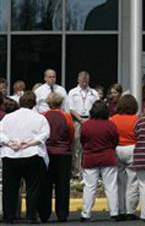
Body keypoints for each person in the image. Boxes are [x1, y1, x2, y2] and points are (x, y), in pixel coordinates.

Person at [0, 91, 49, 223]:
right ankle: (31, 215)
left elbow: (1, 134)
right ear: (34, 104)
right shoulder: (39, 118)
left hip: (10, 154)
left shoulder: (8, 118)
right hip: (32, 154)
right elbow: (44, 135)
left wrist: (9, 142)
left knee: (10, 188)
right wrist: (28, 143)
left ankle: (8, 216)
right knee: (32, 188)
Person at [80, 100, 119, 221]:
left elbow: (83, 140)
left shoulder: (86, 125)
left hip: (91, 157)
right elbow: (115, 140)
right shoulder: (110, 124)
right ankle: (114, 212)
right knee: (111, 186)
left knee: (89, 187)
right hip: (108, 156)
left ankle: (86, 213)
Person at [39, 92, 74, 223]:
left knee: (45, 184)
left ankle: (44, 213)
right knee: (63, 185)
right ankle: (62, 213)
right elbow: (71, 133)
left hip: (47, 152)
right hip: (63, 153)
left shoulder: (43, 116)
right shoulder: (66, 116)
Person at [110, 94, 140, 220]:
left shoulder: (113, 119)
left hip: (117, 148)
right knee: (133, 181)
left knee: (119, 181)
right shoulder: (136, 119)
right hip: (132, 148)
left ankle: (120, 209)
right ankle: (130, 210)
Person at [67, 71, 99, 178]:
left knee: (90, 146)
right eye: (82, 79)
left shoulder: (94, 93)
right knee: (77, 146)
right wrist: (80, 119)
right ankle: (76, 172)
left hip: (91, 120)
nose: (84, 81)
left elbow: (97, 107)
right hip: (77, 120)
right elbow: (71, 108)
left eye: (86, 79)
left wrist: (89, 119)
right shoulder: (73, 92)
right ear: (78, 80)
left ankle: (89, 171)